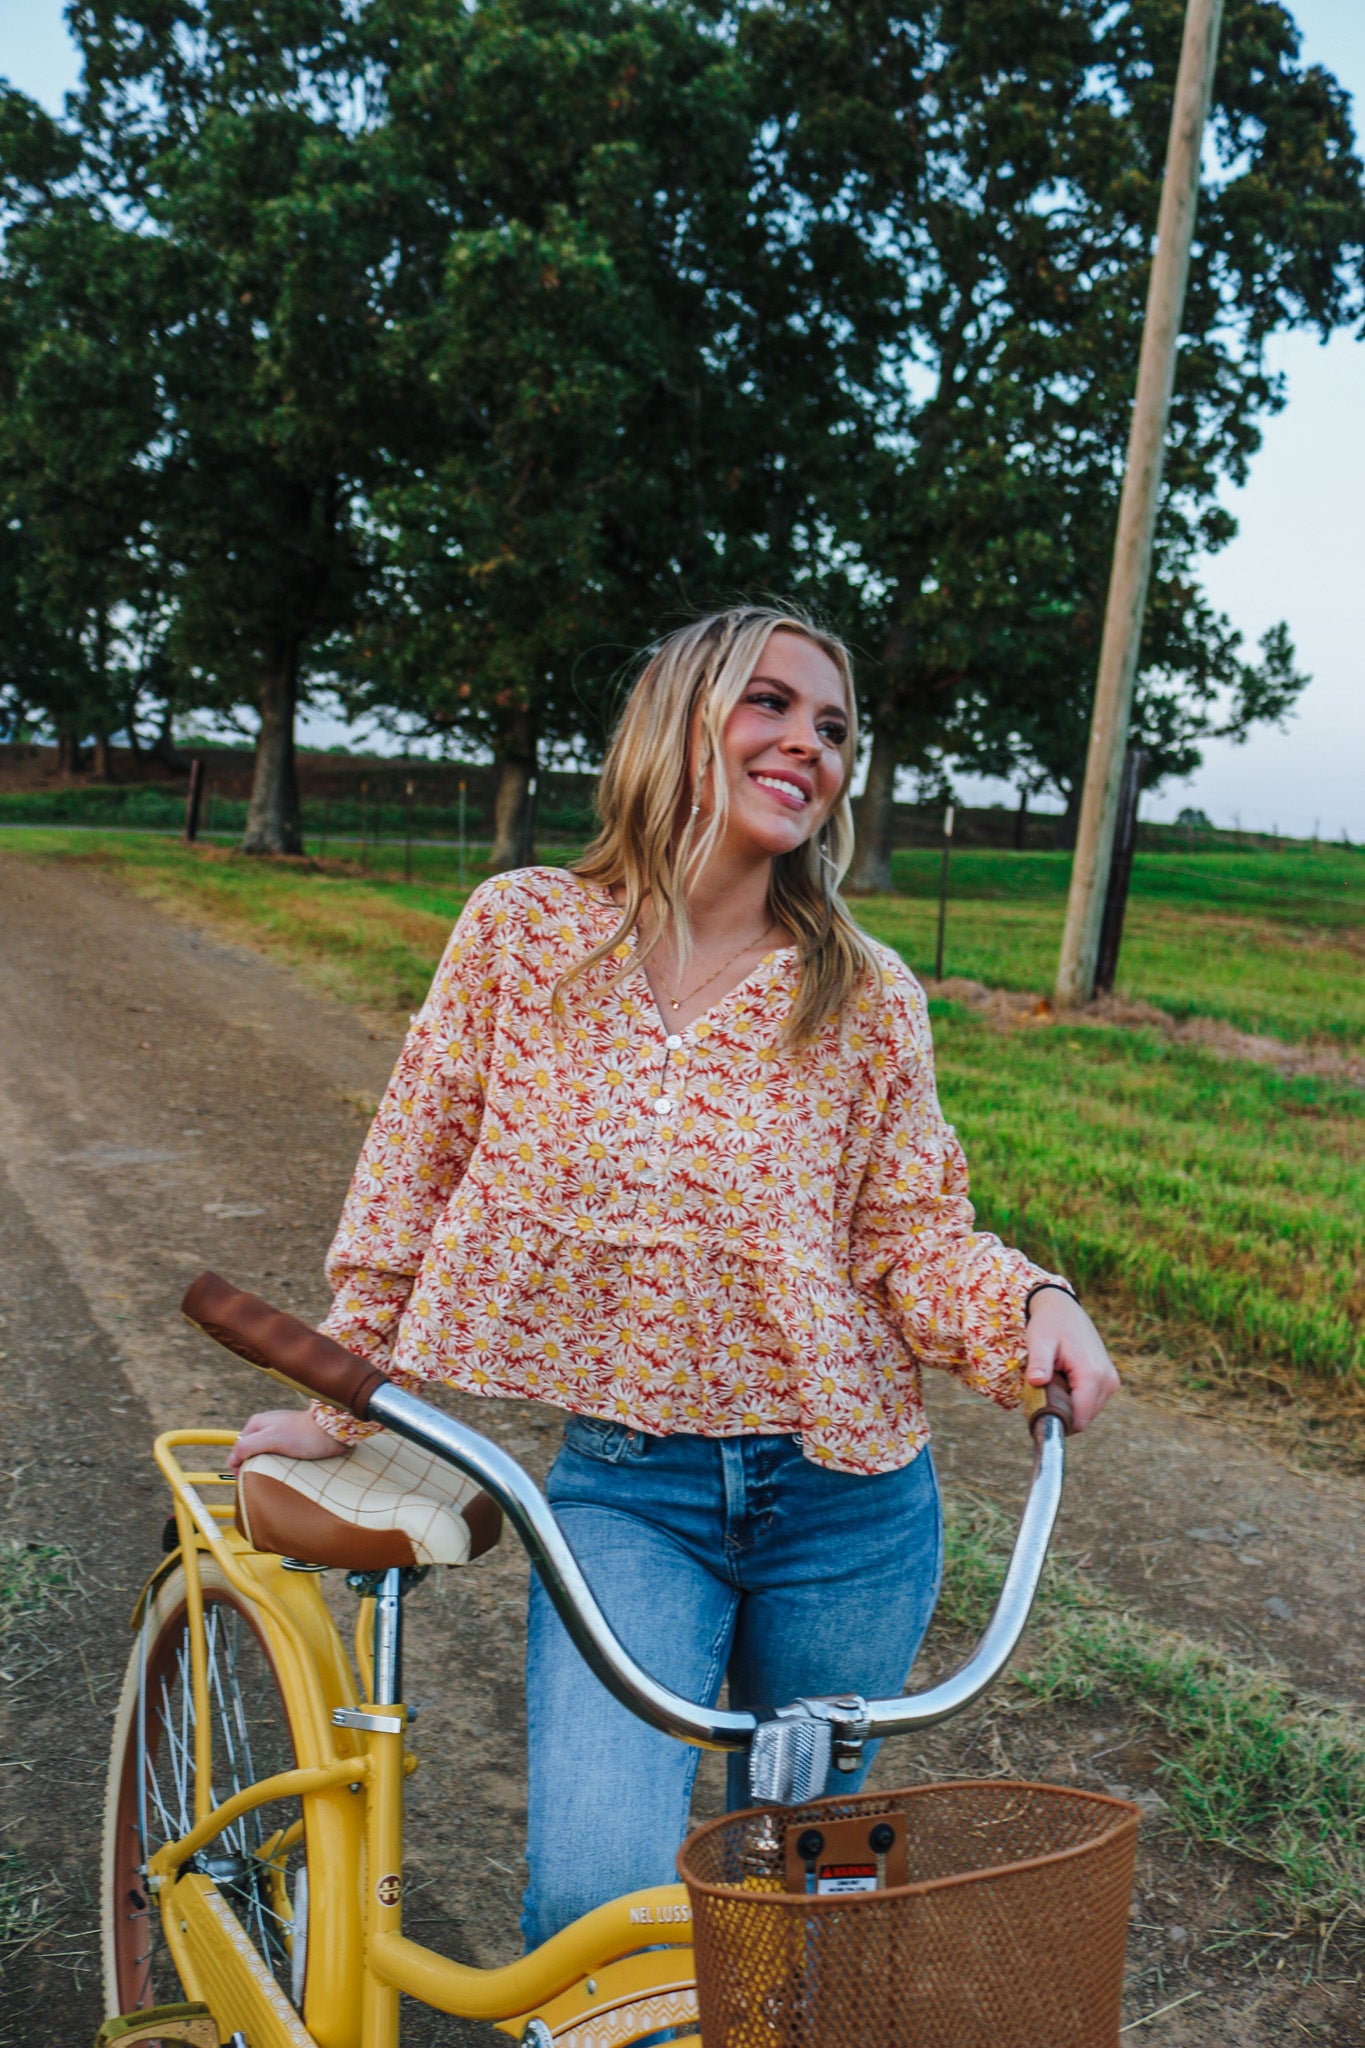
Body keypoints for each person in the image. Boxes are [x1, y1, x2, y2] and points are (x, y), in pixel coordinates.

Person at [229, 604, 1119, 1945]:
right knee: (599, 1901)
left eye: (832, 728)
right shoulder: (524, 935)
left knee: (796, 1893)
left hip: (850, 1510)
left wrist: (1031, 1304)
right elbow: (418, 1167)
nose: (806, 745)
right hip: (630, 1495)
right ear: (678, 719)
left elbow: (911, 1235)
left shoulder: (861, 993)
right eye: (768, 704)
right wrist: (347, 1395)